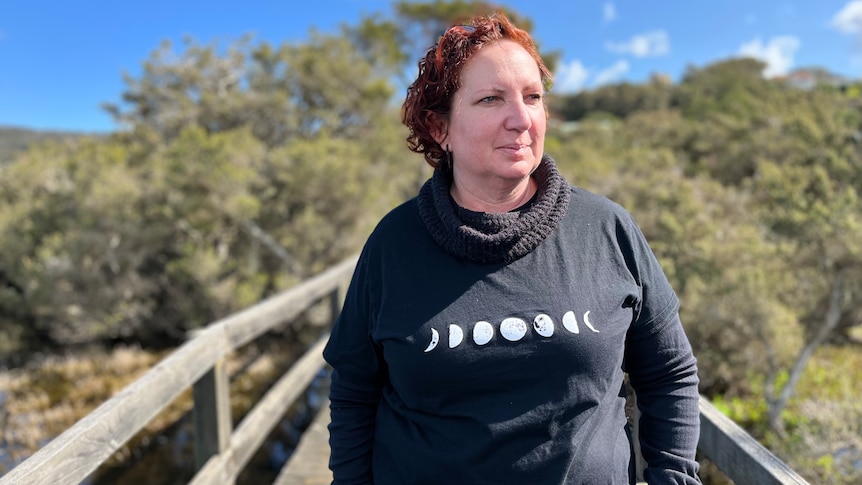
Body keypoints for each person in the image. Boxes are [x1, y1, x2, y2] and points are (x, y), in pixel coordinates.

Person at [323, 11, 702, 484]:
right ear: (439, 127)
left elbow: (669, 372)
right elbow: (354, 390)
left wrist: (674, 477)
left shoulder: (607, 228)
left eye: (532, 97)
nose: (520, 118)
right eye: (490, 98)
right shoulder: (393, 244)